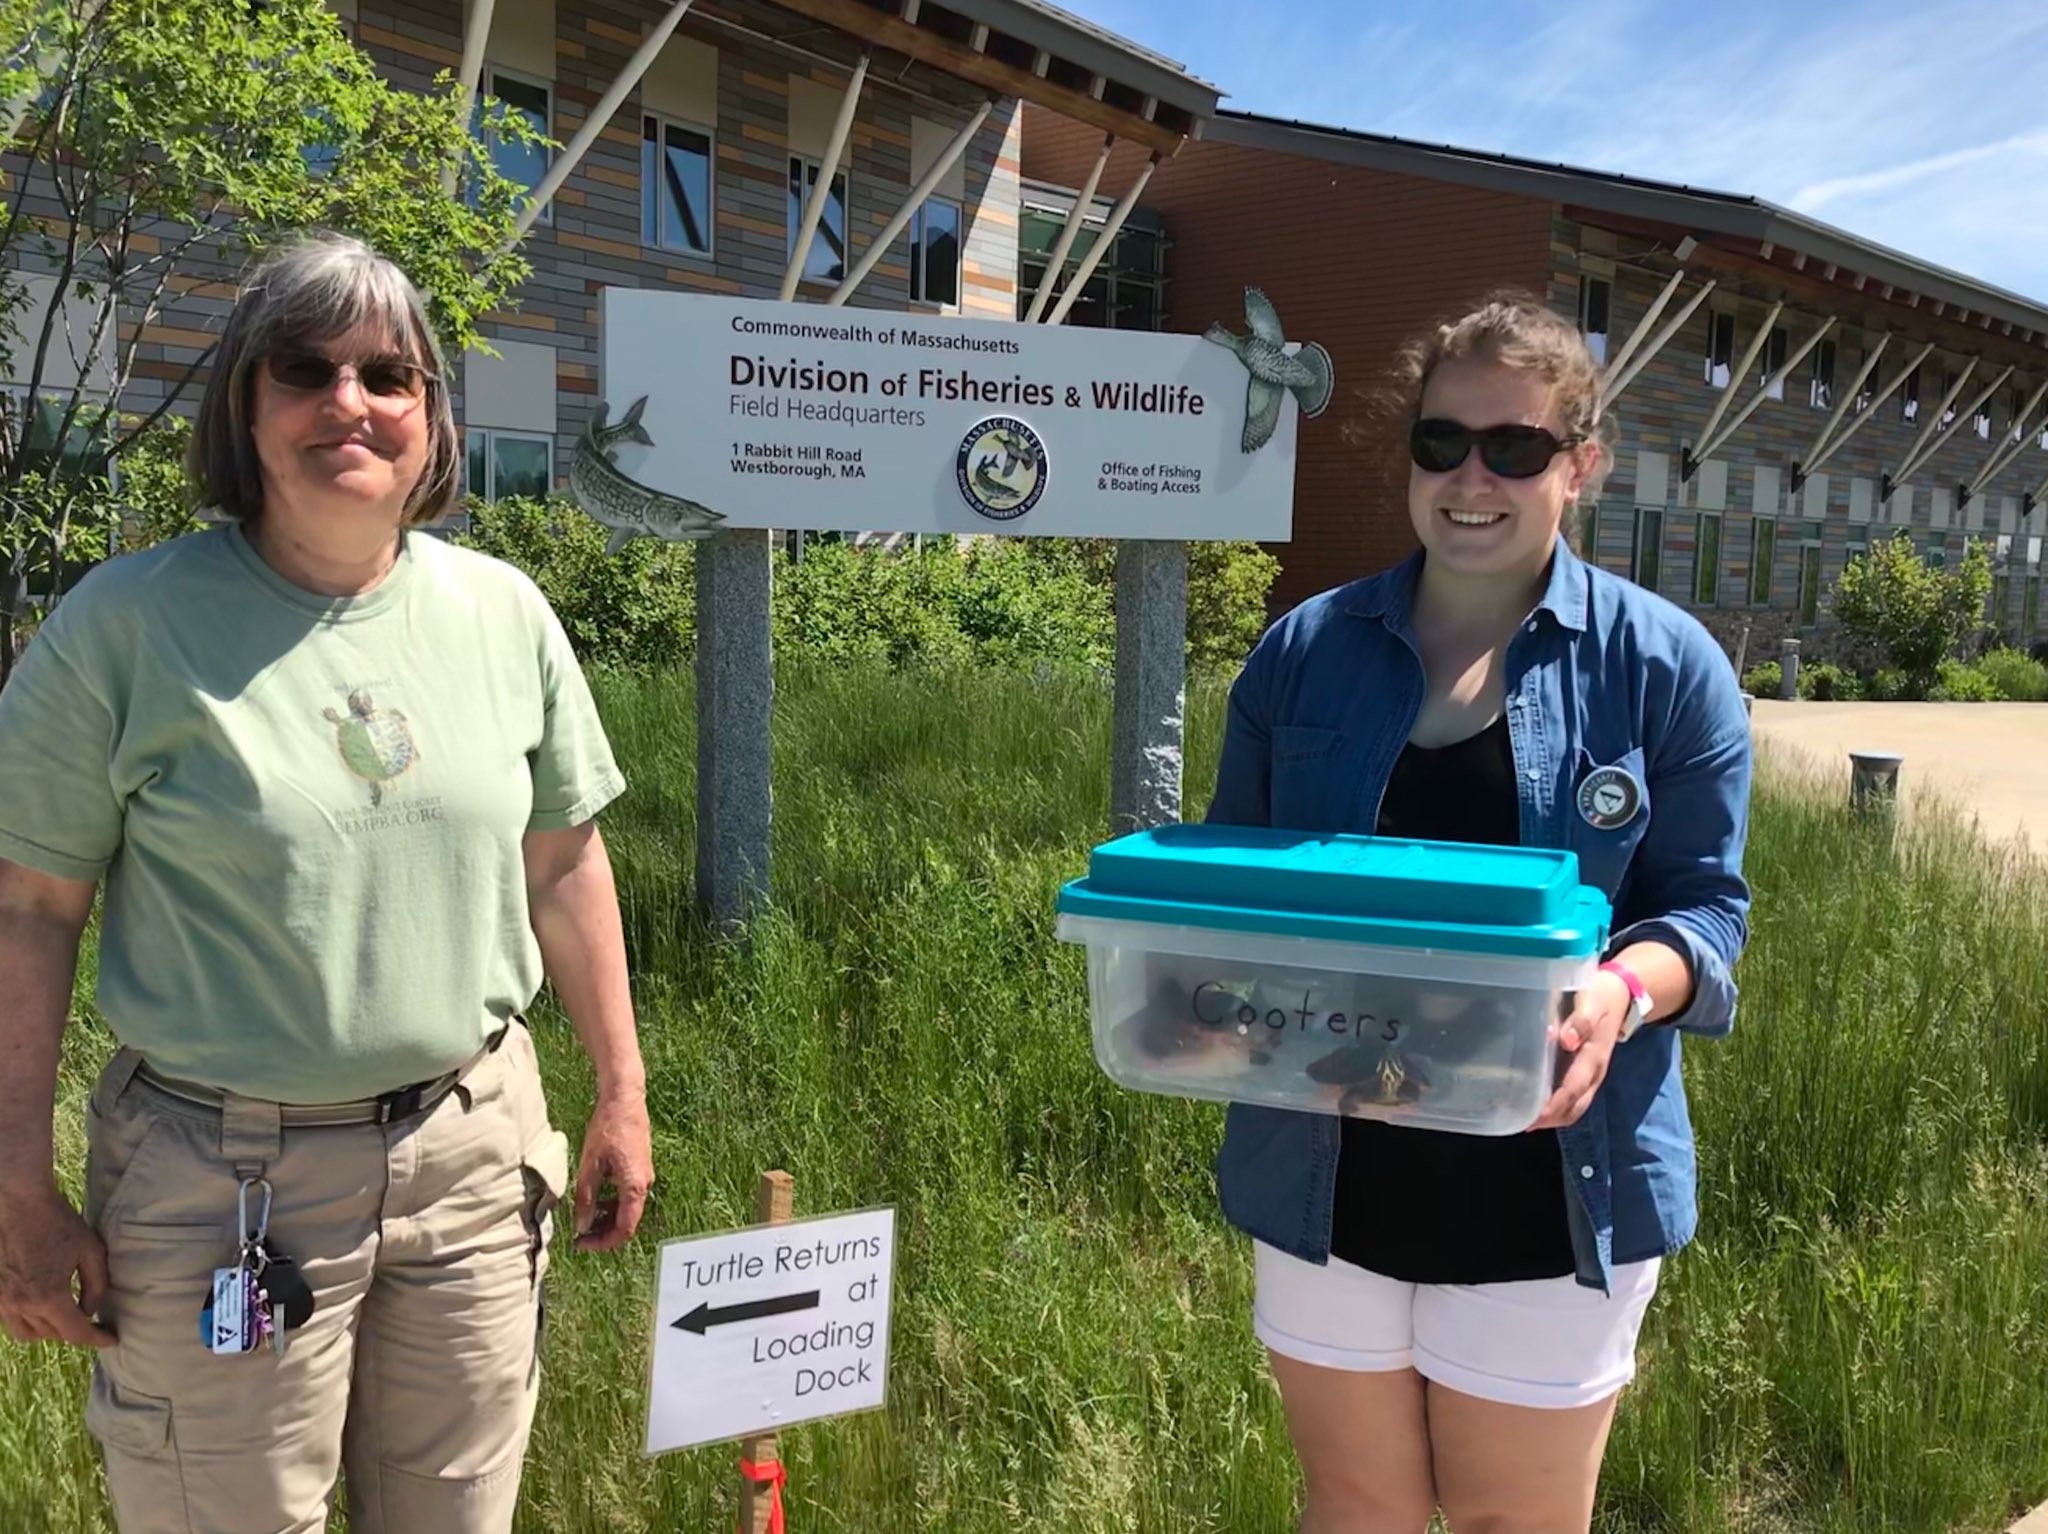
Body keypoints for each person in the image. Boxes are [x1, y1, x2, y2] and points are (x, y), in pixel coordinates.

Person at [0, 231, 654, 1534]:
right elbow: (28, 909)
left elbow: (567, 859)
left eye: (388, 374)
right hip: (215, 1180)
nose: (349, 401)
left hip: (472, 1157)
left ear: (433, 417)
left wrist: (623, 1093)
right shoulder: (125, 628)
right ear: (246, 405)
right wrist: (14, 1177)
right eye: (305, 368)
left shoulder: (505, 613)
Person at [1205, 292, 1752, 1533]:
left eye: (1514, 448)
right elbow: (1233, 889)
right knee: (1354, 1509)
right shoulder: (1303, 650)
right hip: (1324, 1166)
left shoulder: (1663, 667)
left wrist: (1619, 988)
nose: (1471, 478)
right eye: (1441, 440)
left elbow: (1702, 913)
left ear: (1580, 465)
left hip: (1551, 1177)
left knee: (1514, 1522)